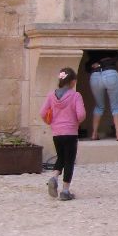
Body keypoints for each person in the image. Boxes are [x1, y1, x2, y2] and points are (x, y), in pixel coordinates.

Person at [39, 67, 86, 201]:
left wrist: (51, 122)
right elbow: (81, 114)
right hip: (70, 132)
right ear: (72, 82)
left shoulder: (51, 95)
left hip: (57, 133)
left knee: (60, 157)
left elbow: (42, 113)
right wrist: (76, 122)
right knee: (69, 161)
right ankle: (65, 191)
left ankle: (54, 177)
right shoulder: (75, 95)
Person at [84, 50, 118, 141]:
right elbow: (116, 57)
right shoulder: (109, 48)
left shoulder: (92, 51)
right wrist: (103, 63)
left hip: (95, 75)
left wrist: (97, 65)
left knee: (99, 106)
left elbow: (86, 67)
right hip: (111, 73)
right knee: (116, 107)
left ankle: (94, 133)